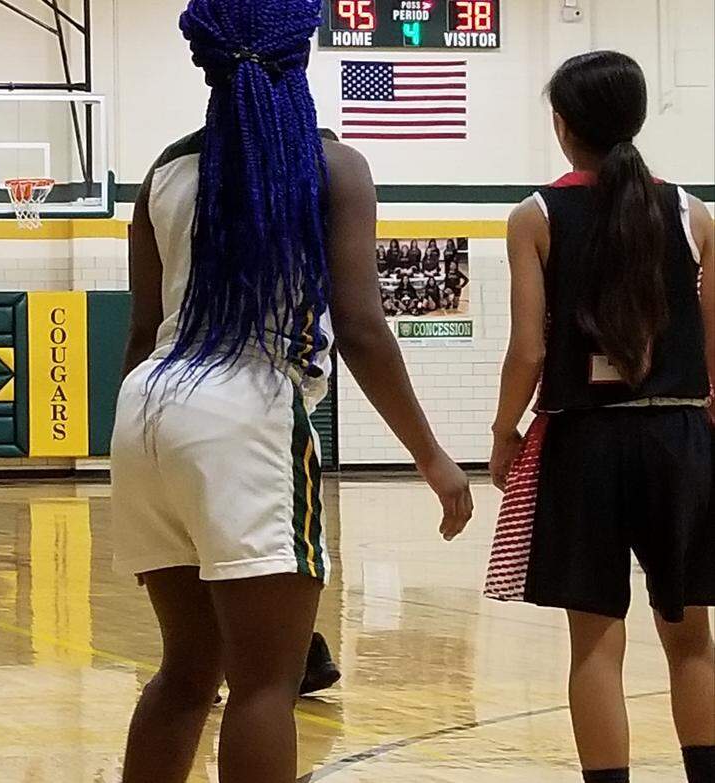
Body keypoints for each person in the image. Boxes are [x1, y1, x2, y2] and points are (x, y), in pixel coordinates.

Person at [110, 2, 473, 781]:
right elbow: (362, 329)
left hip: (144, 411)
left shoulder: (163, 173)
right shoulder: (334, 165)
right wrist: (432, 455)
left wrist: (141, 461)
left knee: (185, 673)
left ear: (207, 61)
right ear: (300, 54)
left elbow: (140, 331)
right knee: (265, 685)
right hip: (245, 412)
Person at [488, 52, 714, 783]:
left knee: (595, 643)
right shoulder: (693, 214)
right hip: (680, 435)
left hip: (584, 441)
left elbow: (528, 348)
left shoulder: (535, 215)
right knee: (691, 638)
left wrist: (503, 432)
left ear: (562, 125)